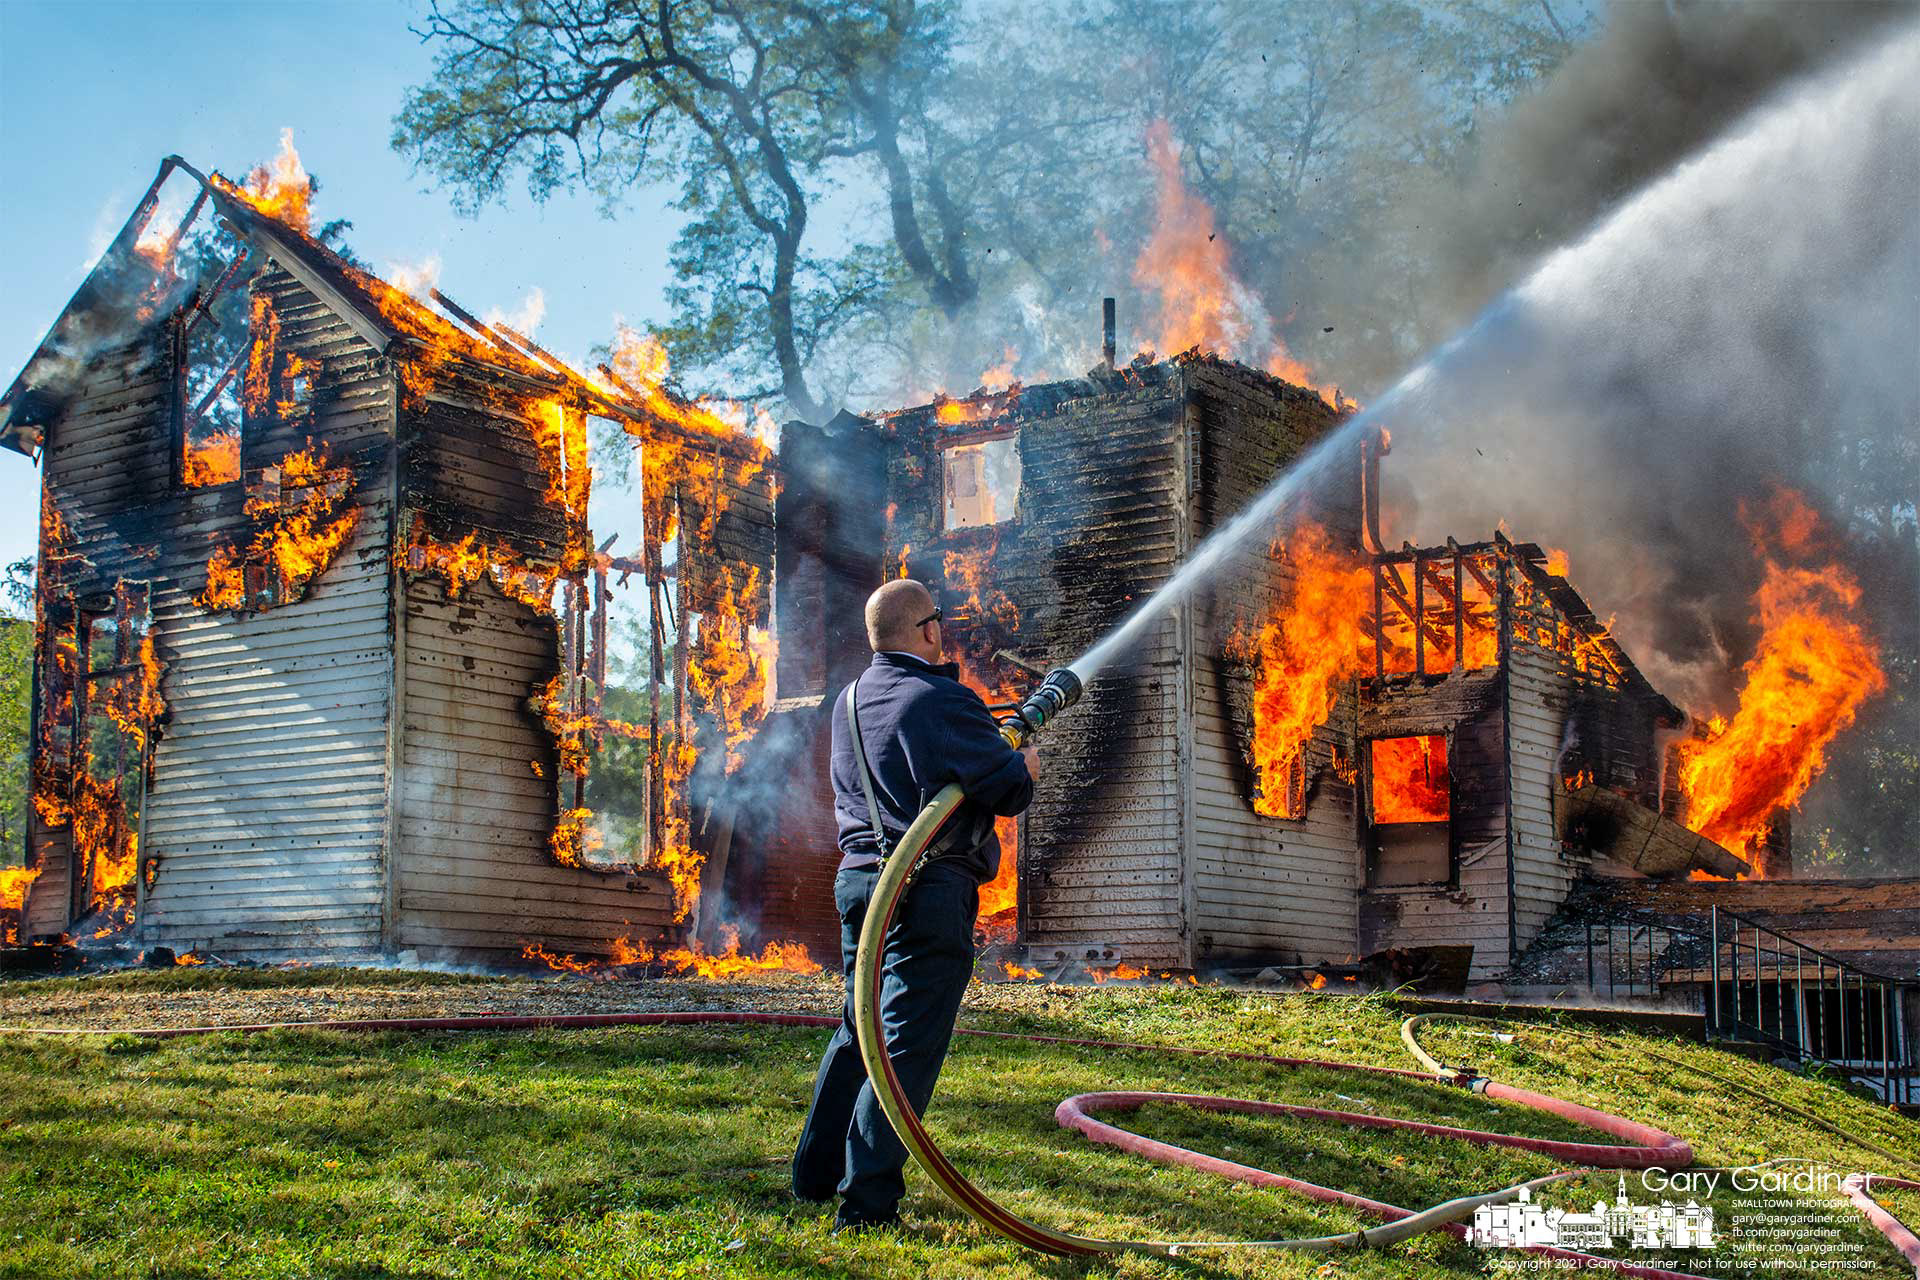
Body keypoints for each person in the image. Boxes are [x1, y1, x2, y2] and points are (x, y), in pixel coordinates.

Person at [791, 578, 1039, 1231]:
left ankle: (813, 1178)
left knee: (858, 1029)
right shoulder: (943, 699)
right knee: (902, 1043)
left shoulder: (848, 702)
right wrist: (1029, 765)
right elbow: (1009, 788)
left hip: (860, 884)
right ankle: (866, 1205)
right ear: (927, 630)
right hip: (925, 889)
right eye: (939, 622)